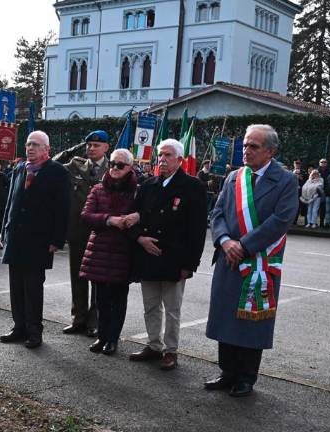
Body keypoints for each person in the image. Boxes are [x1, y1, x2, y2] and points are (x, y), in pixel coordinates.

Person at [204, 124, 299, 398]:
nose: (246, 150)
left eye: (253, 146)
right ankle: (227, 371)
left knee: (251, 319)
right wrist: (225, 241)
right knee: (226, 315)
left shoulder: (286, 181)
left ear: (270, 151)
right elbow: (218, 213)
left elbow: (281, 220)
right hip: (229, 258)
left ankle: (246, 376)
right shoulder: (234, 177)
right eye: (245, 145)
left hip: (259, 262)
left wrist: (243, 246)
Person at [126, 139, 207, 371]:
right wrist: (139, 238)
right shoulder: (148, 185)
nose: (162, 159)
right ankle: (153, 345)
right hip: (148, 256)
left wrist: (190, 263)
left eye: (168, 155)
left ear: (180, 160)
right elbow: (133, 217)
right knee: (150, 306)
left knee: (172, 309)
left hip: (174, 258)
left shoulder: (192, 187)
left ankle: (171, 351)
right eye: (160, 155)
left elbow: (197, 229)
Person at [0, 130, 70, 349]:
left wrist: (57, 239)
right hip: (16, 238)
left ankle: (34, 331)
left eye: (35, 145)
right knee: (16, 287)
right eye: (28, 144)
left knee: (32, 288)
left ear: (46, 149)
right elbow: (11, 201)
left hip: (38, 240)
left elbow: (63, 209)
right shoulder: (20, 168)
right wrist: (4, 231)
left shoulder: (57, 172)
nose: (30, 148)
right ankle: (18, 327)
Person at [79, 148, 138, 355]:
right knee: (101, 299)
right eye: (112, 163)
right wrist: (109, 220)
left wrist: (135, 218)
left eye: (120, 165)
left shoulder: (137, 190)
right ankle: (101, 336)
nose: (114, 168)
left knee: (118, 300)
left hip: (124, 251)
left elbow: (145, 214)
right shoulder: (98, 189)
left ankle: (112, 339)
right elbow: (86, 215)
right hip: (100, 251)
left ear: (130, 167)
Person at [61, 130, 110, 337]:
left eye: (96, 145)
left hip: (101, 234)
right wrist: (72, 150)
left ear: (106, 147)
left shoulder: (114, 167)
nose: (91, 148)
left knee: (98, 279)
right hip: (78, 231)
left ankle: (94, 320)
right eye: (88, 145)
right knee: (77, 276)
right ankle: (78, 318)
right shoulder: (75, 165)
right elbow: (53, 163)